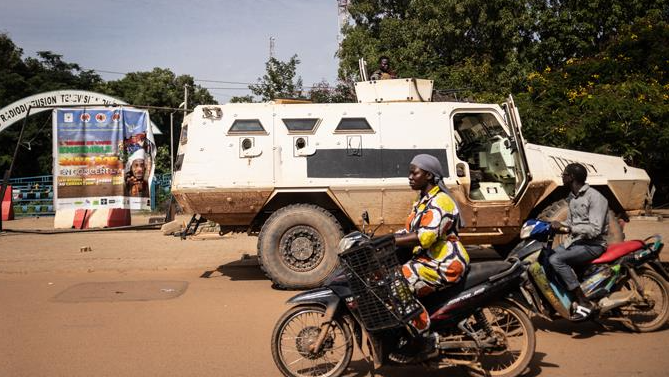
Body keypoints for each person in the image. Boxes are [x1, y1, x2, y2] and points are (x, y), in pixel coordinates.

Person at [390, 154, 469, 363]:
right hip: (428, 259)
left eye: (414, 172)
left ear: (429, 175)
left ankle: (422, 339)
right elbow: (408, 230)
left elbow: (425, 236)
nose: (409, 177)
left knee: (400, 280)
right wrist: (379, 239)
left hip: (444, 262)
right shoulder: (423, 201)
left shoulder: (440, 201)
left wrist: (392, 240)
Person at [549, 163, 609, 320]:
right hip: (576, 243)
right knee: (546, 257)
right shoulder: (573, 198)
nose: (562, 177)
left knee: (556, 260)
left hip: (593, 245)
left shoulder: (595, 197)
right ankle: (566, 298)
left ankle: (584, 301)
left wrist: (570, 229)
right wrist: (558, 225)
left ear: (572, 177)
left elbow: (595, 229)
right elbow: (571, 222)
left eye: (565, 174)